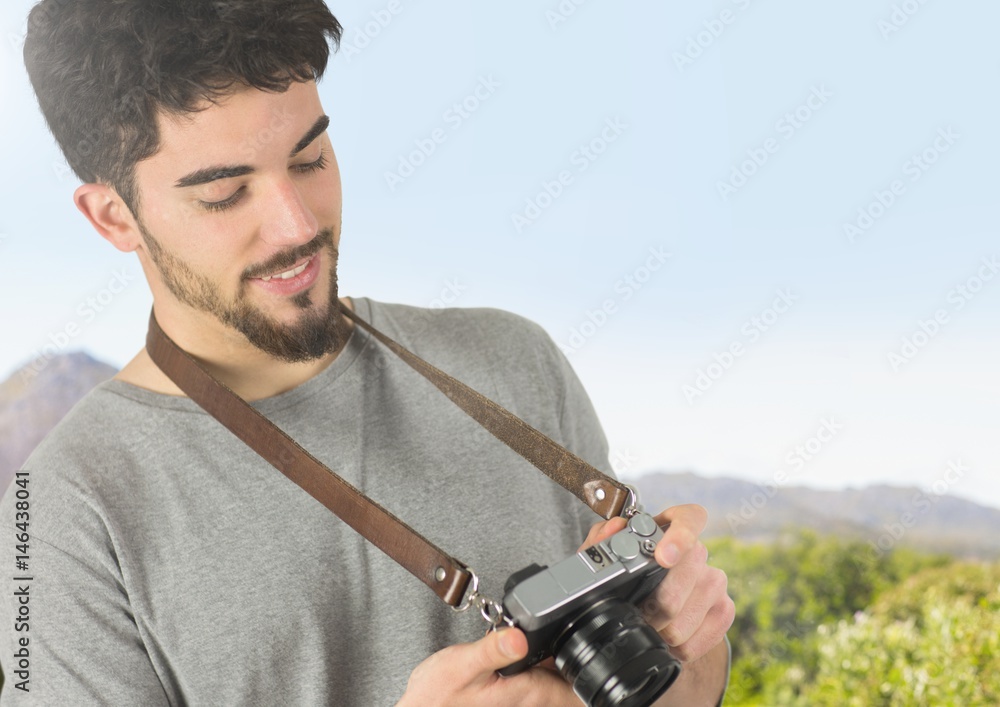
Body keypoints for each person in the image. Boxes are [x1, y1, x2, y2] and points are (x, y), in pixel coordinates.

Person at [0, 0, 735, 704]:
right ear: (112, 216)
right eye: (226, 193)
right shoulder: (55, 513)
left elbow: (680, 689)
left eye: (310, 156)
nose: (295, 226)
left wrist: (684, 641)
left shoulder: (517, 362)